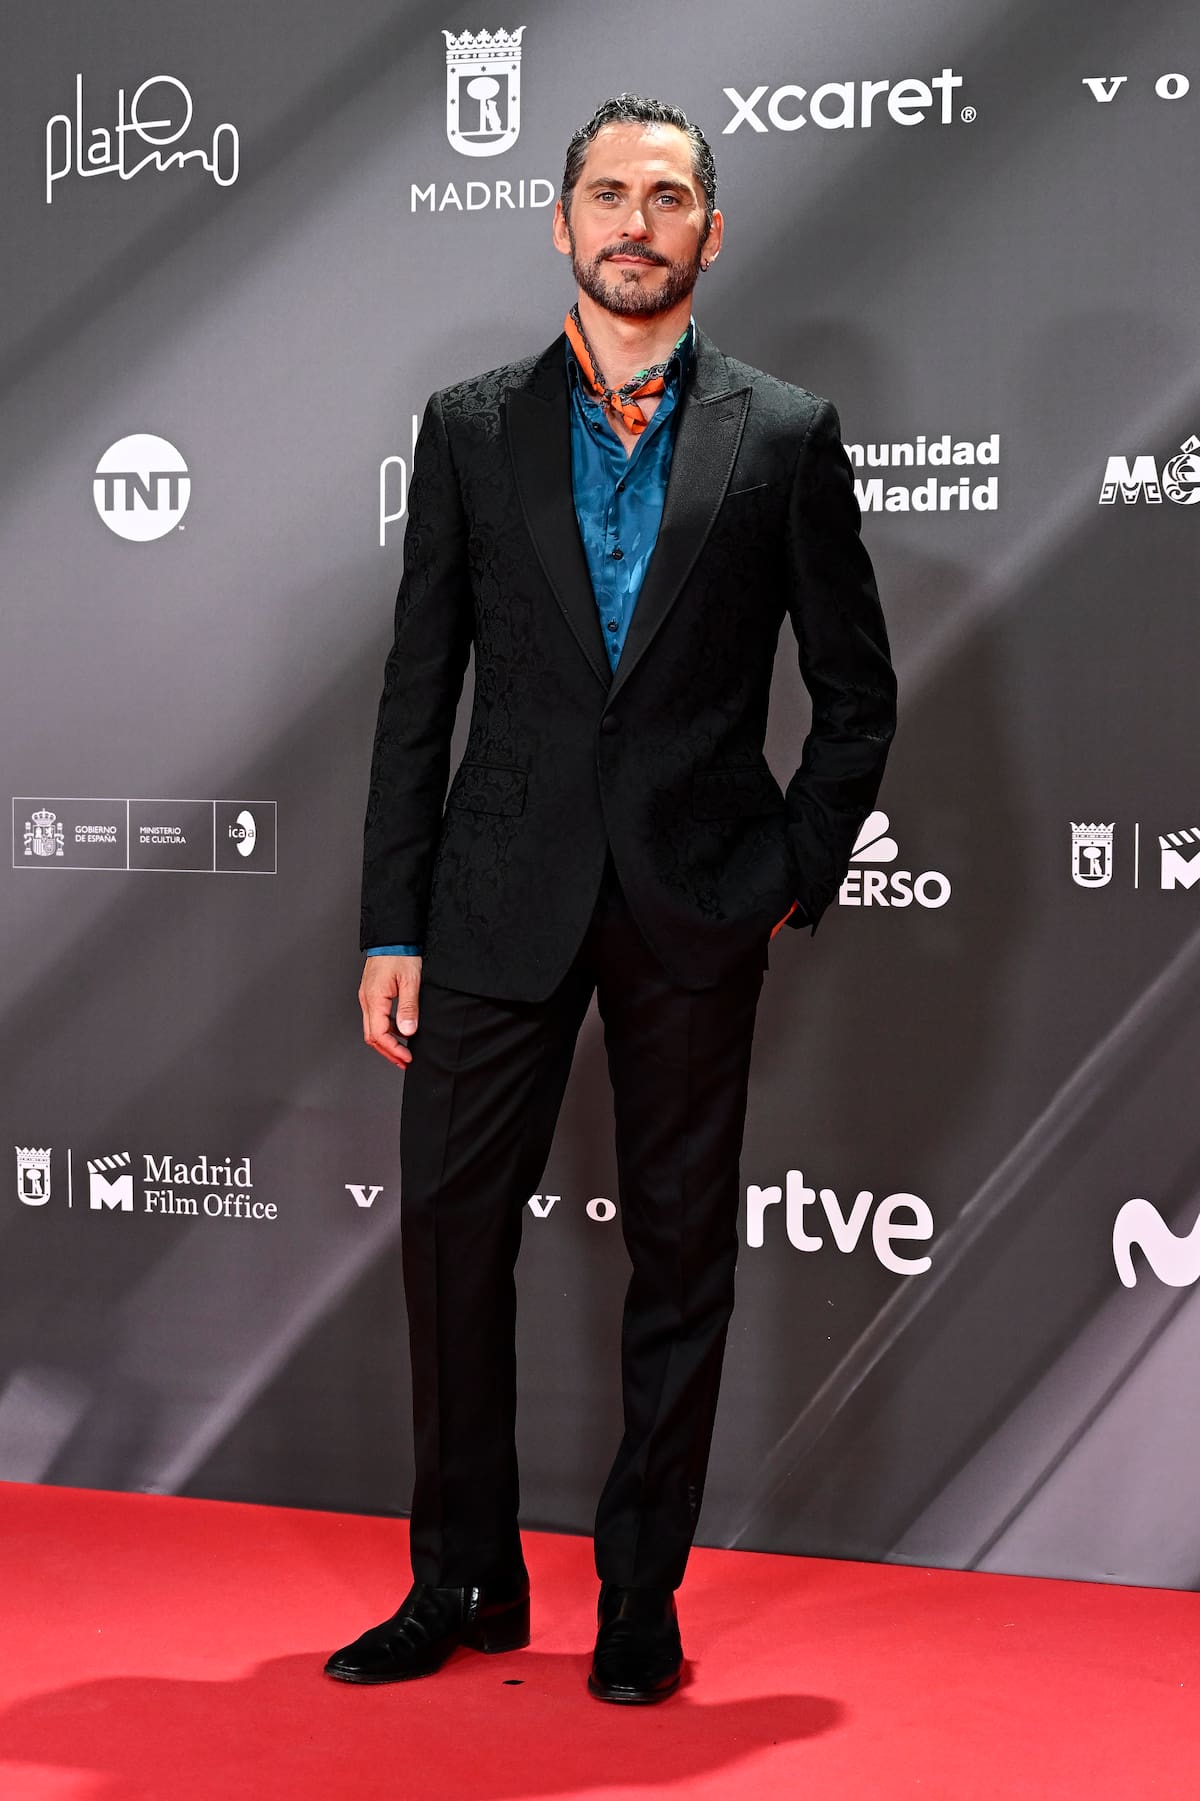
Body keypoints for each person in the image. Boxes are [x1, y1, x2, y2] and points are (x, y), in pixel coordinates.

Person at [324, 93, 896, 1704]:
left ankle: (641, 1593)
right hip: (493, 892)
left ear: (711, 231)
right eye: (606, 194)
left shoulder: (784, 433)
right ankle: (464, 1578)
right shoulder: (468, 425)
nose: (634, 222)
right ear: (561, 221)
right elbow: (418, 693)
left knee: (681, 1253)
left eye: (666, 197)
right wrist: (392, 922)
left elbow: (856, 691)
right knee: (452, 1244)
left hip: (695, 900)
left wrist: (786, 873)